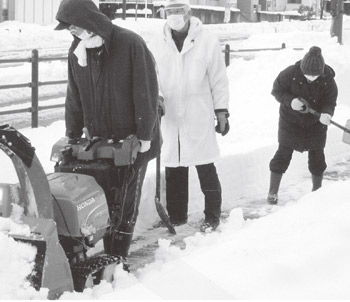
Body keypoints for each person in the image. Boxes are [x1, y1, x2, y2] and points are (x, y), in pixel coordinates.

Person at [54, 0, 160, 258]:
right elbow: (74, 95)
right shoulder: (77, 50)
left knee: (125, 203)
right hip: (98, 143)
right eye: (70, 30)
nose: (73, 33)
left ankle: (118, 260)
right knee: (103, 201)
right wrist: (73, 133)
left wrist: (145, 135)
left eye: (75, 27)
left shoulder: (130, 44)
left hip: (132, 141)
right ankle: (103, 254)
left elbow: (146, 92)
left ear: (89, 21)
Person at [149, 0, 230, 232]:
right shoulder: (157, 43)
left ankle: (212, 216)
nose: (174, 16)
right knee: (174, 167)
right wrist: (158, 98)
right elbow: (152, 77)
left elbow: (218, 79)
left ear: (189, 12)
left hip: (198, 113)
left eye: (178, 11)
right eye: (170, 11)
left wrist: (221, 111)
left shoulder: (207, 40)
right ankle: (177, 217)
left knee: (205, 166)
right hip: (170, 114)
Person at [268, 46, 338, 204]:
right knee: (283, 154)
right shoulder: (290, 73)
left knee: (317, 157)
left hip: (316, 123)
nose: (310, 78)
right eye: (307, 74)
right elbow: (277, 90)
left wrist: (327, 113)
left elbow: (330, 101)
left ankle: (317, 190)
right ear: (302, 68)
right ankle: (273, 191)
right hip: (290, 121)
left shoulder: (328, 80)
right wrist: (291, 101)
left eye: (315, 76)